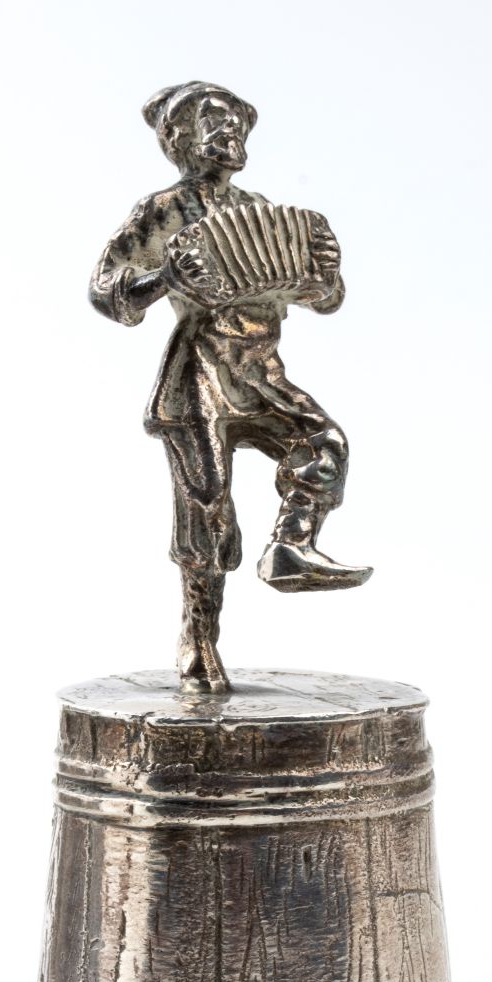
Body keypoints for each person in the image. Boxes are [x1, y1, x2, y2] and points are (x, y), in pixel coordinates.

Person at [90, 80, 371, 691]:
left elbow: (322, 298)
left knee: (324, 443)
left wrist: (326, 276)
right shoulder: (163, 210)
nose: (231, 134)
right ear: (179, 139)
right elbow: (106, 290)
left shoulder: (259, 207)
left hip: (260, 370)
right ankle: (198, 639)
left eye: (237, 124)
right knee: (207, 509)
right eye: (215, 122)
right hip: (199, 375)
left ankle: (291, 547)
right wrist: (164, 277)